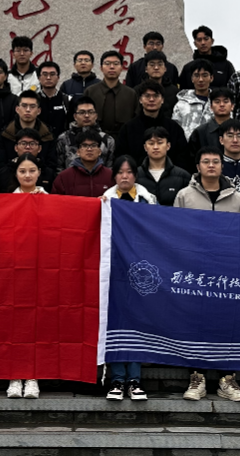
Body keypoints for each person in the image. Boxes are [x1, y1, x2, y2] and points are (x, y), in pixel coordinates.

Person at [173, 146, 240, 403]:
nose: (211, 165)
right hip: (195, 270)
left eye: (215, 161)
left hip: (227, 271)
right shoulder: (184, 195)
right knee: (196, 323)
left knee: (227, 324)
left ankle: (227, 379)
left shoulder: (236, 197)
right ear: (198, 167)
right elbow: (176, 232)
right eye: (206, 161)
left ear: (222, 165)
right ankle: (198, 378)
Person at [99, 154, 154, 402]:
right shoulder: (105, 200)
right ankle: (117, 379)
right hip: (114, 271)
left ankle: (134, 380)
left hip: (141, 271)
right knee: (115, 323)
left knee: (136, 323)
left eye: (129, 172)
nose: (124, 176)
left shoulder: (147, 200)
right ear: (114, 176)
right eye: (120, 172)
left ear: (135, 175)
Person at [7, 153, 46, 399]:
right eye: (23, 171)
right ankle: (14, 376)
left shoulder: (49, 200)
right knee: (14, 324)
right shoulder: (7, 202)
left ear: (39, 173)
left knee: (36, 324)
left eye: (32, 170)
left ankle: (32, 376)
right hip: (13, 269)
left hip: (40, 269)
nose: (28, 175)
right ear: (16, 174)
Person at [116, 80, 191, 172]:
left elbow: (182, 158)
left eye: (156, 96)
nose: (151, 99)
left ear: (162, 99)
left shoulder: (174, 128)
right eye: (147, 96)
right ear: (140, 99)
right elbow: (122, 158)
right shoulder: (128, 129)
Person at [0, 92, 57, 174]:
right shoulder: (6, 134)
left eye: (32, 106)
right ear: (17, 109)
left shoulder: (48, 135)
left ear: (39, 111)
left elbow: (52, 167)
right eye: (24, 106)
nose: (28, 110)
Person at [84, 50, 139, 136]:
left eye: (116, 64)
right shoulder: (90, 91)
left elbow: (136, 120)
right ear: (101, 68)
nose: (112, 67)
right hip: (95, 138)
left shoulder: (131, 93)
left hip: (124, 138)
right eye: (107, 63)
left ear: (121, 68)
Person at [54, 96, 116, 171]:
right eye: (82, 112)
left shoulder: (107, 140)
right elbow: (59, 168)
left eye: (90, 112)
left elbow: (110, 168)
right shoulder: (64, 139)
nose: (86, 116)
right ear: (75, 116)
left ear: (96, 116)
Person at [137, 126, 190, 207]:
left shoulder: (183, 177)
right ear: (145, 147)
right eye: (151, 143)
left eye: (160, 142)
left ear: (168, 146)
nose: (155, 147)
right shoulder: (136, 175)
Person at [52, 129, 113, 196]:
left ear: (99, 151)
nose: (89, 149)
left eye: (93, 145)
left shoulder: (110, 176)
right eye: (84, 145)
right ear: (78, 152)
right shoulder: (64, 177)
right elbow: (55, 200)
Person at [0, 128, 57, 192]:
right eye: (23, 143)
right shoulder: (4, 173)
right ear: (16, 148)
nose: (27, 147)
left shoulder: (48, 173)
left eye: (32, 144)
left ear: (39, 148)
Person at [187, 88, 236, 159]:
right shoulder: (200, 132)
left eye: (225, 101)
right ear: (211, 107)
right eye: (217, 102)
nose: (222, 105)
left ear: (232, 106)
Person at [172, 60, 214, 140]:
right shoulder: (182, 104)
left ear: (211, 78)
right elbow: (175, 129)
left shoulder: (218, 103)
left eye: (205, 75)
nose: (201, 79)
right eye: (196, 75)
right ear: (192, 78)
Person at [36, 61, 72, 137]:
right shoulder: (33, 100)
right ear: (39, 78)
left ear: (58, 78)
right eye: (45, 74)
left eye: (52, 74)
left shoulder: (67, 100)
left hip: (62, 142)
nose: (48, 78)